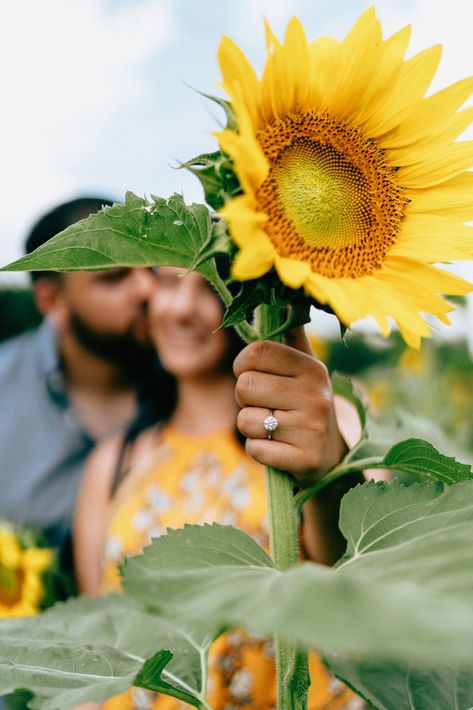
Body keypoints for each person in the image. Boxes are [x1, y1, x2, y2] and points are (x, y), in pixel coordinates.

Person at [73, 265, 364, 710]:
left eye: (212, 287)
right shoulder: (113, 461)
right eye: (168, 282)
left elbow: (357, 579)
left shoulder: (325, 422)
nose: (182, 307)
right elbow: (97, 646)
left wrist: (329, 470)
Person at [0, 197, 158, 551]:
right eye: (115, 277)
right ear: (52, 302)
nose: (146, 289)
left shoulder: (197, 376)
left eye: (152, 268)